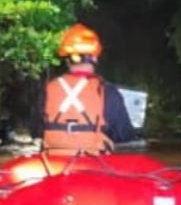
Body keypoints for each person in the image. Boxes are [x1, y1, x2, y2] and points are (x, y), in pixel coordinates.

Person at [38, 23, 136, 155]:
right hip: (95, 164)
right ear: (95, 58)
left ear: (67, 60)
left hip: (53, 164)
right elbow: (124, 134)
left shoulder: (49, 89)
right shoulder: (108, 92)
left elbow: (35, 130)